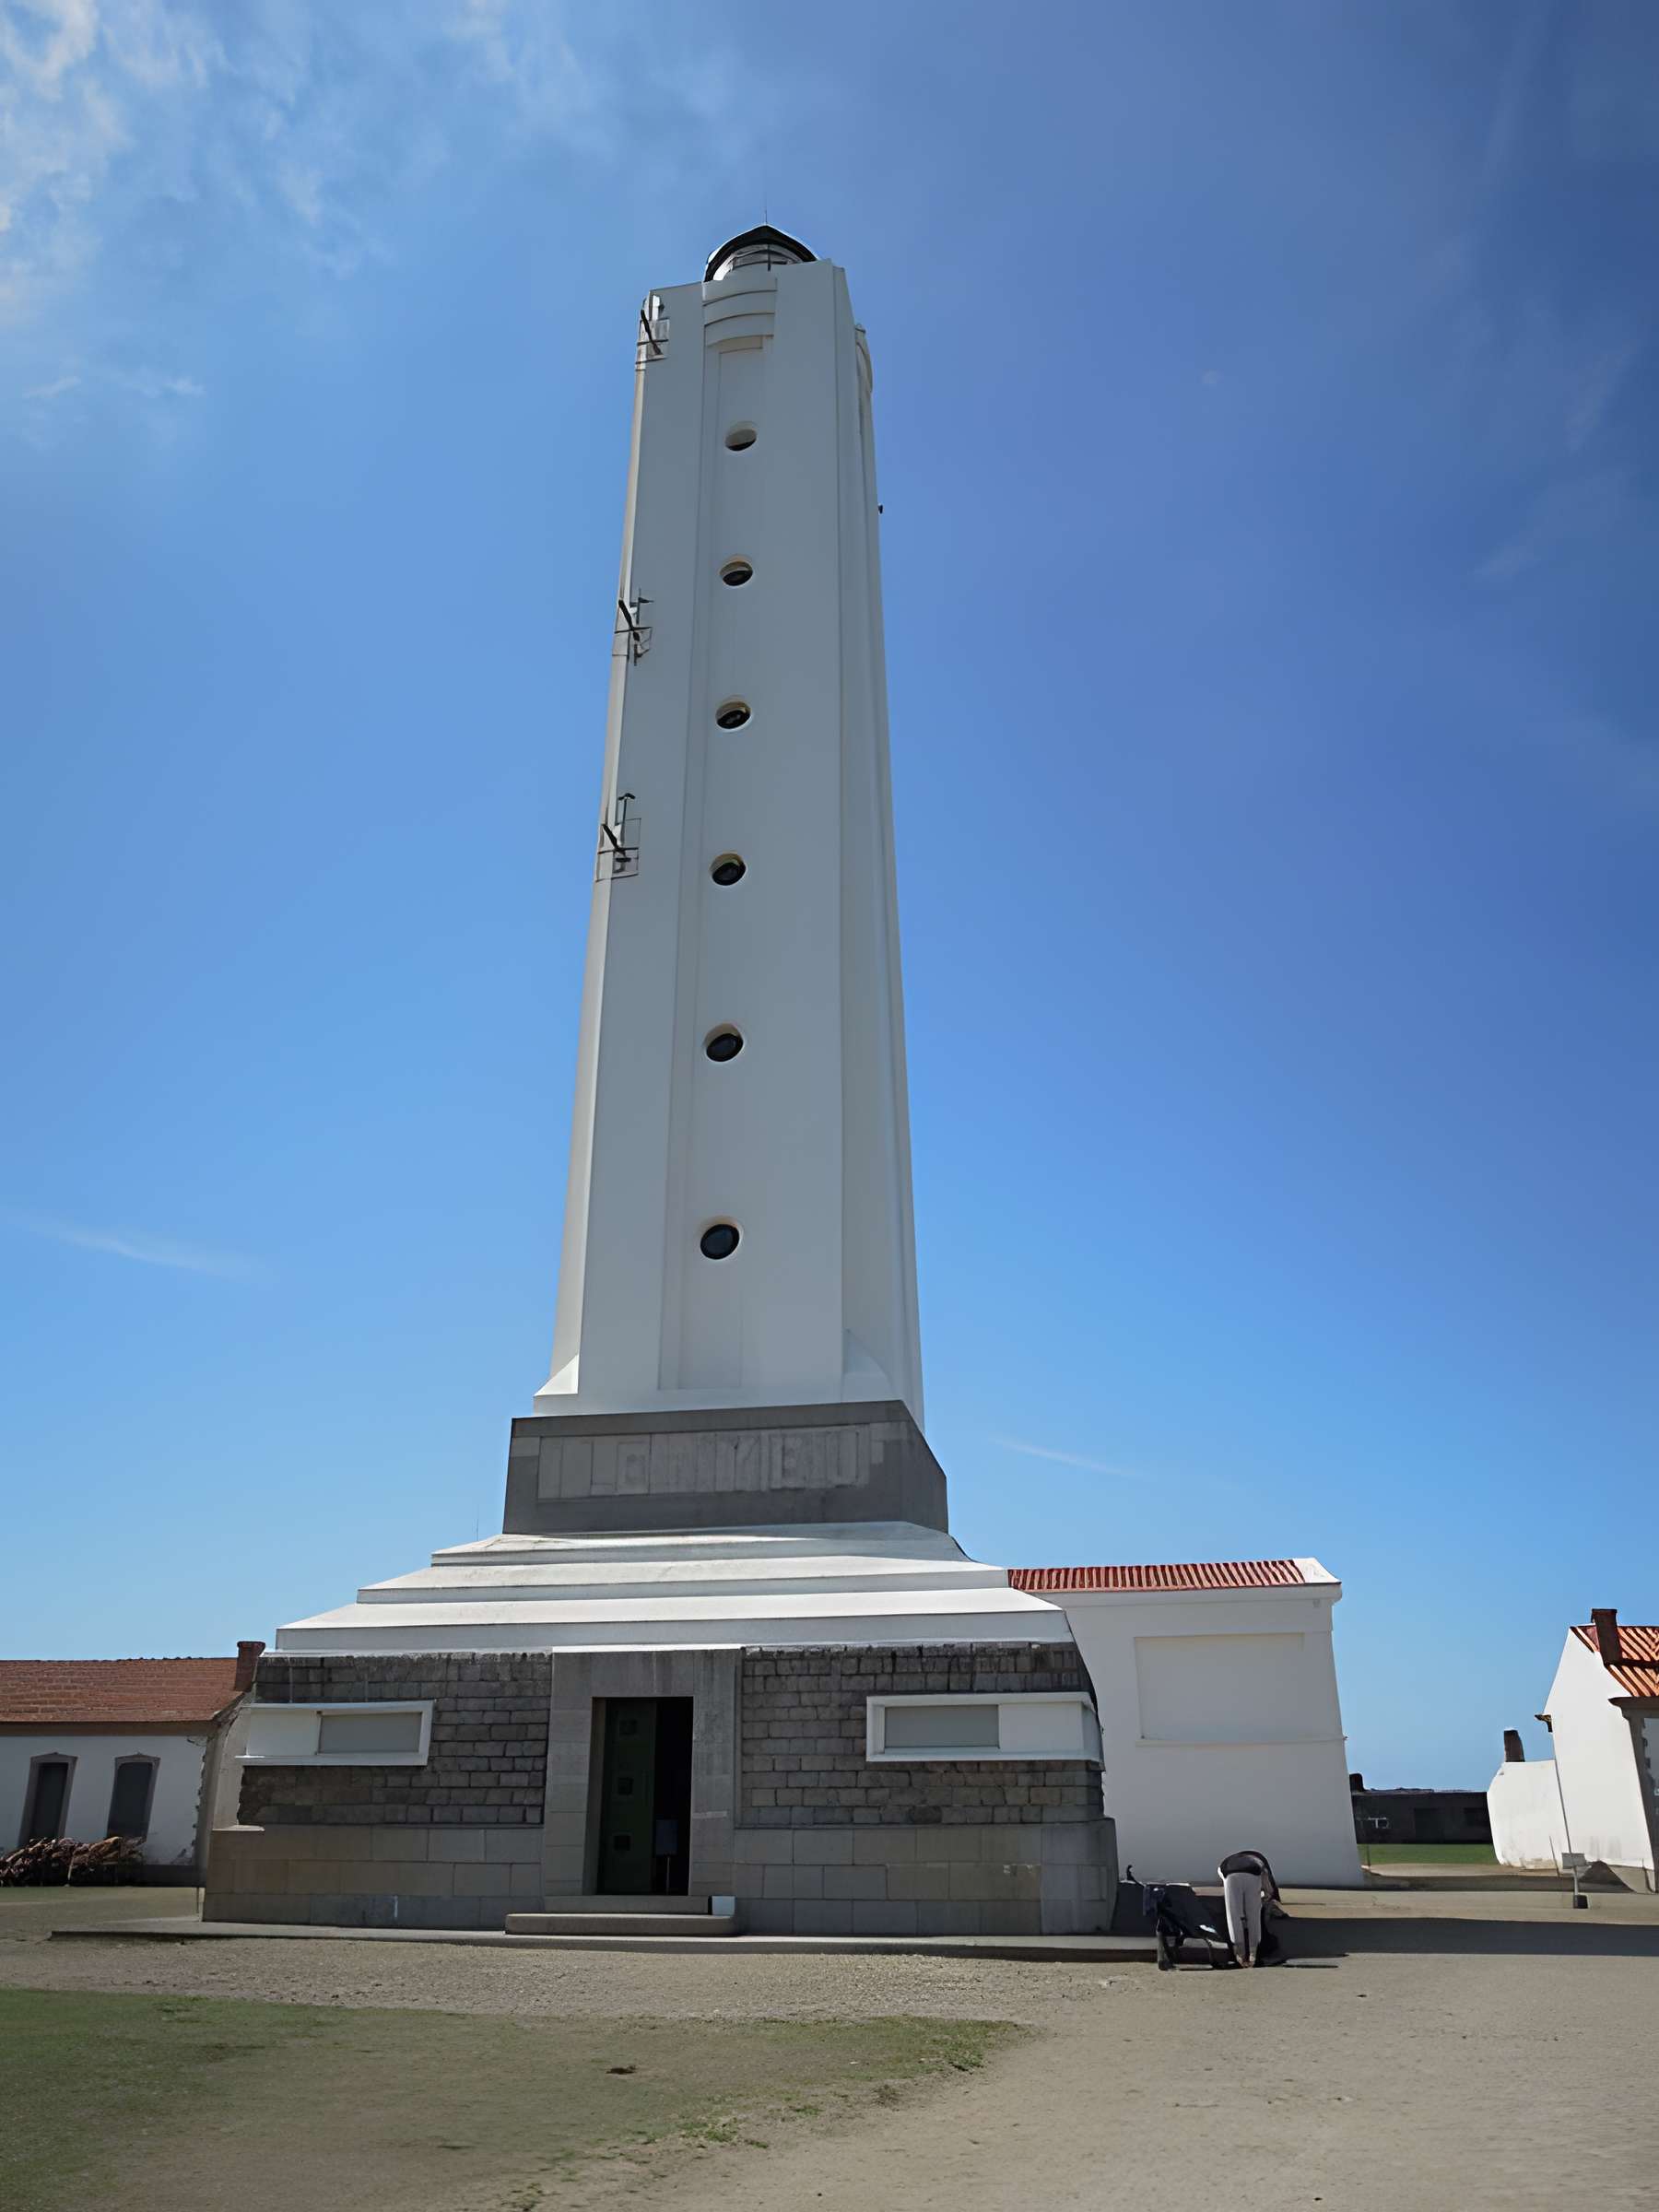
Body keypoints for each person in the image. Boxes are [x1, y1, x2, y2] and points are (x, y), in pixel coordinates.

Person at [1217, 1849, 1280, 1968]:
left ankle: (1238, 1952)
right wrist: (1267, 1896)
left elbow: (1221, 1874)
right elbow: (1269, 1886)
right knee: (1254, 1915)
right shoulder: (1260, 1862)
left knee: (1234, 1914)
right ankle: (1253, 1954)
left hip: (1229, 1874)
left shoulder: (1229, 1861)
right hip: (1253, 1875)